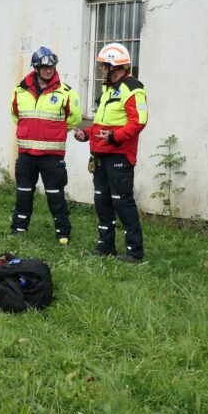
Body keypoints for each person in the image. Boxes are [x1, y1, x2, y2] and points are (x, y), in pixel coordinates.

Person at [72, 43, 148, 262]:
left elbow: (139, 121)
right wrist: (87, 134)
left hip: (119, 155)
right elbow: (101, 123)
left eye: (103, 66)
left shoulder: (133, 88)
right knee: (102, 201)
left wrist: (115, 137)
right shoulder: (108, 89)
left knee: (122, 201)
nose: (100, 70)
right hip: (100, 154)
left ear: (113, 66)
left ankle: (134, 251)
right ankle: (105, 245)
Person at [10, 46, 81, 243]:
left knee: (55, 195)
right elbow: (16, 116)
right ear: (36, 68)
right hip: (26, 154)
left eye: (51, 67)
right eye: (44, 67)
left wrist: (52, 133)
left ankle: (63, 233)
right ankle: (18, 230)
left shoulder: (66, 92)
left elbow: (73, 120)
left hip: (52, 155)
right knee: (24, 193)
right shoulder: (20, 90)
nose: (49, 70)